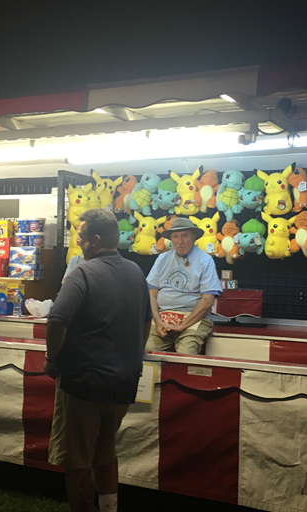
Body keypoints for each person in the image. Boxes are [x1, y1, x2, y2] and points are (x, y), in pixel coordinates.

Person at [44, 209, 151, 512]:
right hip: (123, 384)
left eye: (80, 236)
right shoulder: (136, 272)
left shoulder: (82, 272)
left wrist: (52, 358)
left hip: (83, 383)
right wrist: (133, 355)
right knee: (105, 453)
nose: (78, 241)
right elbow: (146, 322)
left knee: (77, 459)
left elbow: (56, 319)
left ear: (96, 240)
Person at [145, 217, 222, 355]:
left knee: (186, 353)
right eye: (175, 236)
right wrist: (157, 320)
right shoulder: (162, 259)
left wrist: (182, 325)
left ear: (193, 237)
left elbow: (208, 300)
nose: (180, 241)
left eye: (185, 236)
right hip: (162, 318)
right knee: (146, 352)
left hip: (194, 319)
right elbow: (151, 294)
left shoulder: (205, 260)